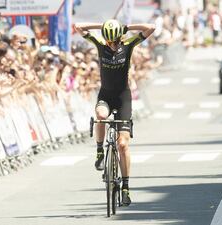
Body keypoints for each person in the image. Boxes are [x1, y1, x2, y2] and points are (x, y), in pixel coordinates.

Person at [74, 19, 155, 206]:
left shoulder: (128, 45)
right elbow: (79, 26)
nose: (113, 45)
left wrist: (125, 27)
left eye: (116, 40)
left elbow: (151, 28)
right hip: (106, 95)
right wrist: (102, 26)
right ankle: (100, 152)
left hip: (123, 97)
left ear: (120, 38)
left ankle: (125, 187)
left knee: (123, 145)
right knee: (101, 116)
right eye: (110, 41)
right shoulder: (100, 45)